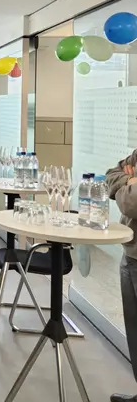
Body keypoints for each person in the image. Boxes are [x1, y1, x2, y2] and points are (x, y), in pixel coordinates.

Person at [106, 152, 137, 402]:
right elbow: (111, 174)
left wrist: (130, 185)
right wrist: (129, 181)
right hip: (130, 251)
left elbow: (131, 204)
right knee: (134, 331)